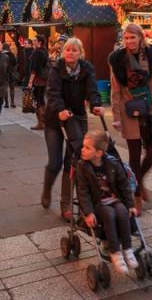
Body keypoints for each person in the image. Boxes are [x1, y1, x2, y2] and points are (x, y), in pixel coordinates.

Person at [109, 23, 152, 212]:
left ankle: (138, 180)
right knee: (134, 155)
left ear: (140, 38)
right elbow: (115, 90)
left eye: (132, 38)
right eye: (126, 38)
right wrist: (116, 116)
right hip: (130, 111)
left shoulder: (151, 55)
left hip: (151, 110)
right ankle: (135, 196)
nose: (129, 41)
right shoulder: (118, 60)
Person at [42, 37, 102, 220]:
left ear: (80, 53)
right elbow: (53, 92)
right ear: (63, 52)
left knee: (73, 162)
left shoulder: (87, 69)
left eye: (74, 50)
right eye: (67, 50)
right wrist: (60, 110)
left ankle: (65, 205)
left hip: (76, 118)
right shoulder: (56, 69)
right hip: (55, 120)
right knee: (55, 162)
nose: (70, 53)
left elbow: (92, 90)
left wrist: (95, 104)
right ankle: (47, 189)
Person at [75, 129, 139, 276]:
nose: (82, 150)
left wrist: (130, 205)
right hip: (98, 204)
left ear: (98, 153)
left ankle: (128, 249)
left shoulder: (112, 164)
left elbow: (124, 185)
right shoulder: (82, 167)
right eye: (83, 147)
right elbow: (83, 192)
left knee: (123, 211)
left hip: (115, 199)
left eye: (87, 148)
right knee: (109, 214)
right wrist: (89, 212)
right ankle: (115, 252)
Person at [26, 35, 50, 130]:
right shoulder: (44, 51)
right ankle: (45, 121)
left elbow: (34, 69)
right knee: (41, 100)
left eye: (35, 40)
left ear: (39, 42)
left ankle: (41, 123)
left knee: (38, 101)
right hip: (43, 79)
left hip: (37, 80)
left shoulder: (37, 52)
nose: (33, 41)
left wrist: (30, 81)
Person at [3, 42, 18, 109]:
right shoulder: (12, 54)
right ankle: (12, 102)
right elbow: (15, 63)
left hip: (4, 74)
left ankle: (6, 103)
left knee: (5, 88)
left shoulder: (1, 55)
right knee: (12, 88)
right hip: (11, 73)